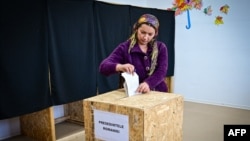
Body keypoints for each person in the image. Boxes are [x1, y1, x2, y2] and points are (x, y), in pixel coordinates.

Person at [99, 14, 168, 93]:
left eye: (150, 34)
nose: (145, 37)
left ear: (155, 34)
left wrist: (148, 83)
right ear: (136, 29)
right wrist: (120, 67)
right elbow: (103, 67)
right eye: (142, 32)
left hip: (158, 93)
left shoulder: (160, 47)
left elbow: (162, 71)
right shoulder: (125, 48)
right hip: (134, 94)